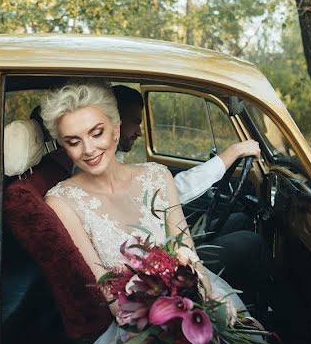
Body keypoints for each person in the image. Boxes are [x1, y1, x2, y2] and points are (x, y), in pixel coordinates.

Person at [6, 81, 285, 344]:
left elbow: (190, 255)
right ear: (63, 146)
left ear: (116, 127)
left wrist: (207, 303)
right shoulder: (62, 201)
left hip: (195, 301)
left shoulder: (158, 177)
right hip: (136, 325)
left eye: (97, 133)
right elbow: (105, 286)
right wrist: (164, 330)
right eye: (74, 142)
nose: (89, 149)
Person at [112, 85, 268, 308]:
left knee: (242, 220)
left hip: (164, 247)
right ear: (115, 121)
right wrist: (233, 152)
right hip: (159, 267)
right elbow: (174, 190)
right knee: (253, 243)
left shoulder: (117, 164)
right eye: (135, 121)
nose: (139, 131)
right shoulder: (101, 173)